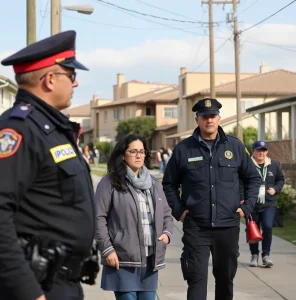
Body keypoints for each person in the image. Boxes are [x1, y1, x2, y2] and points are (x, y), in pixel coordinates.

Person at [0, 31, 98, 300]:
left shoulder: (51, 129)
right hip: (36, 286)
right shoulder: (19, 130)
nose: (75, 84)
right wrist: (28, 291)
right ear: (50, 80)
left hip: (62, 282)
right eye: (71, 75)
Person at [162, 98, 261, 300]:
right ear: (197, 119)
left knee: (225, 280)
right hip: (196, 227)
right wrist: (179, 211)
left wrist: (247, 206)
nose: (209, 120)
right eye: (204, 116)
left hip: (227, 226)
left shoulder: (234, 146)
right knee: (196, 279)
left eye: (213, 116)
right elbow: (168, 184)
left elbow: (253, 178)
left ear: (219, 118)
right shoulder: (184, 149)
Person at [95, 134, 174, 300]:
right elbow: (98, 218)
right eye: (133, 151)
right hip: (122, 261)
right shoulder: (109, 183)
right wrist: (107, 249)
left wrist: (166, 235)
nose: (139, 155)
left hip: (150, 262)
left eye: (142, 151)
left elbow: (166, 213)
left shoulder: (153, 183)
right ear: (123, 155)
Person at [249, 141, 285, 268]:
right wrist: (243, 199)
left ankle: (266, 255)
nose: (261, 153)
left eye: (264, 150)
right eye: (259, 150)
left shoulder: (274, 164)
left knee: (267, 227)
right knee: (253, 229)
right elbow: (241, 182)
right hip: (252, 204)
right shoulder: (247, 165)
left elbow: (281, 179)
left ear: (267, 152)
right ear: (253, 151)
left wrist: (275, 189)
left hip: (269, 203)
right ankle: (254, 254)